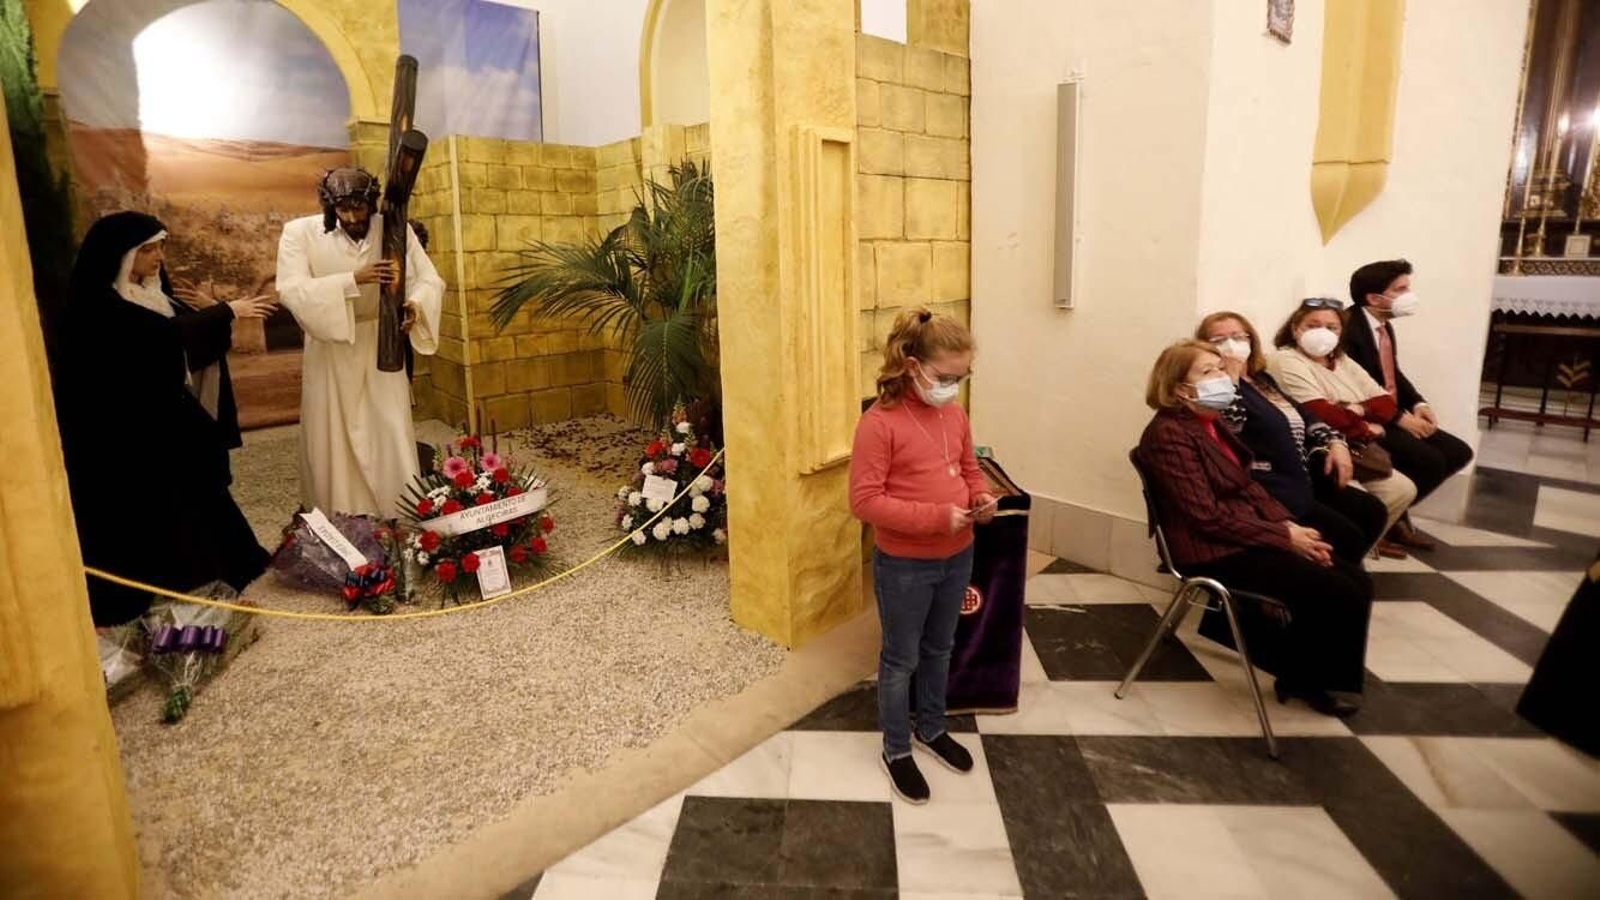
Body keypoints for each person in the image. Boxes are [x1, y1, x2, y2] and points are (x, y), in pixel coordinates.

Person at [54, 211, 274, 625]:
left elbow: (185, 345)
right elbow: (148, 341)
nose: (159, 257)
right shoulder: (96, 305)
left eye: (161, 247)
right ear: (122, 256)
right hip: (125, 430)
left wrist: (211, 315)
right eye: (148, 249)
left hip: (168, 416)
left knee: (198, 486)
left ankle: (216, 566)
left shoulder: (157, 295)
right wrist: (224, 312)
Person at [1137, 340, 1374, 717]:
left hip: (1241, 531)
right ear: (1181, 388)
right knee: (1335, 589)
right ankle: (1308, 678)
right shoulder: (1169, 435)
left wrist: (1288, 524)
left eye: (1219, 367)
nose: (1222, 375)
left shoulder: (1207, 423)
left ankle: (1314, 672)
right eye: (1208, 371)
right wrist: (1284, 538)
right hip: (1209, 549)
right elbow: (1205, 517)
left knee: (1355, 580)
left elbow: (1248, 487)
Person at [850, 307, 996, 803]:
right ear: (912, 366)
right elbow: (864, 502)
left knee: (940, 648)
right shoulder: (880, 422)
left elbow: (970, 469)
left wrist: (980, 497)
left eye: (962, 376)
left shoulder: (954, 414)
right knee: (900, 659)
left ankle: (931, 728)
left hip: (958, 555)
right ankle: (896, 749)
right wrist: (934, 518)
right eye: (946, 376)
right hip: (906, 565)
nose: (954, 385)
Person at [276, 168, 444, 517]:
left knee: (389, 426)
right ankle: (342, 516)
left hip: (381, 343)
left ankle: (398, 511)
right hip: (330, 347)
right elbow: (290, 289)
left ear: (372, 202)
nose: (353, 218)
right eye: (343, 210)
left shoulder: (395, 229)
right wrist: (353, 279)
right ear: (329, 207)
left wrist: (413, 304)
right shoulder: (299, 233)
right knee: (334, 435)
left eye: (360, 208)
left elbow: (428, 279)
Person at [1195, 312, 1389, 562]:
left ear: (1250, 340)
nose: (1231, 345)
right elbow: (1232, 423)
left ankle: (1340, 574)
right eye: (1219, 339)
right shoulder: (1216, 389)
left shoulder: (1260, 379)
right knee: (1346, 536)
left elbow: (1305, 415)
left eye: (1237, 337)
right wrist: (1229, 377)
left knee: (1371, 512)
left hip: (1298, 477)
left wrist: (1336, 441)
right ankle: (1332, 579)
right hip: (1266, 487)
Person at [1341, 259, 1475, 550]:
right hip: (1369, 418)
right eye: (1400, 289)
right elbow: (1356, 386)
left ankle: (1396, 520)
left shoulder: (1382, 324)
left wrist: (1417, 403)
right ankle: (1383, 524)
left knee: (1458, 452)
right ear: (1374, 298)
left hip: (1394, 413)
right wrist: (1400, 418)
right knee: (1430, 460)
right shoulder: (1348, 329)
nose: (1408, 295)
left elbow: (1392, 372)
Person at [1268, 300, 1419, 555]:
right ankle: (1333, 555)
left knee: (1403, 489)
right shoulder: (1285, 360)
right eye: (1313, 325)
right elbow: (1322, 413)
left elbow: (1385, 404)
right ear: (1296, 329)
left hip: (1357, 448)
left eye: (1331, 327)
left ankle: (1357, 553)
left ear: (1341, 333)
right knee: (1364, 505)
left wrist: (1353, 408)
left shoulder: (1342, 360)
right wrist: (1365, 423)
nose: (1322, 332)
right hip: (1319, 449)